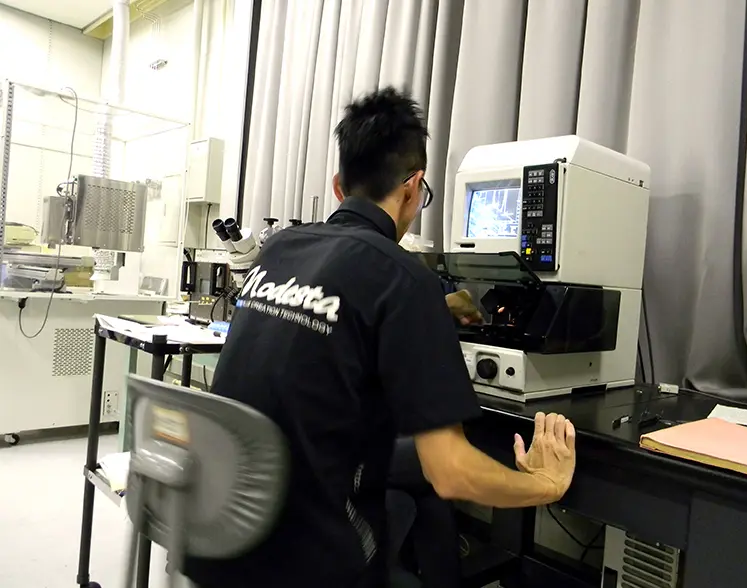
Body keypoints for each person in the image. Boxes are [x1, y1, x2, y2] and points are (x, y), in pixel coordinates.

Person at [183, 87, 576, 588]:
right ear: (413, 188)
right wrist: (544, 484)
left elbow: (342, 308)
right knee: (440, 470)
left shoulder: (279, 250)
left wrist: (433, 310)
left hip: (221, 530)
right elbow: (453, 473)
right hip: (308, 562)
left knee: (418, 484)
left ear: (338, 187)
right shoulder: (405, 279)